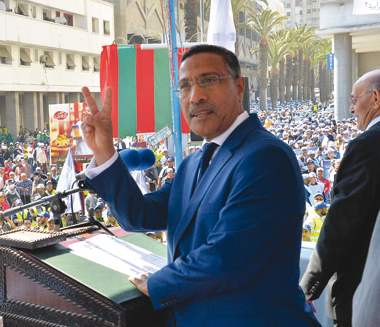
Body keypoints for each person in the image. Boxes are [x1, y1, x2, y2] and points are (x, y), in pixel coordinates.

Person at [79, 44, 317, 326]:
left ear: (239, 87)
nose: (196, 96)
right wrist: (105, 151)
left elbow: (226, 260)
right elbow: (139, 215)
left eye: (209, 80)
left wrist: (158, 283)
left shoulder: (265, 157)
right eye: (185, 86)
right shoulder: (193, 164)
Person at [301, 69, 380, 326]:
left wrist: (307, 288)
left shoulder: (367, 147)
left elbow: (341, 224)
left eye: (355, 99)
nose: (352, 107)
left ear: (376, 98)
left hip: (364, 295)